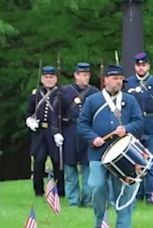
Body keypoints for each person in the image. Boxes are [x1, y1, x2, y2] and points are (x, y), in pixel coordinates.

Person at [79, 65, 143, 228]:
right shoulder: (93, 100)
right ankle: (100, 220)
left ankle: (123, 224)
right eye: (115, 78)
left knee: (123, 190)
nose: (118, 82)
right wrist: (93, 138)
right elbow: (82, 125)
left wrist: (127, 129)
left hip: (122, 153)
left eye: (121, 79)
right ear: (105, 80)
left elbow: (139, 122)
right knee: (97, 186)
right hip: (98, 153)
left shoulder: (129, 100)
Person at [124, 52, 153, 204]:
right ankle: (137, 194)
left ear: (148, 66)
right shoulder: (128, 83)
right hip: (135, 128)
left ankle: (152, 196)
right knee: (136, 163)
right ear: (135, 66)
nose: (141, 68)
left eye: (143, 65)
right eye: (138, 65)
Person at [61, 63, 99, 206]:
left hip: (88, 132)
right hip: (70, 131)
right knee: (70, 168)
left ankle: (88, 200)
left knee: (88, 167)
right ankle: (73, 200)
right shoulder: (65, 92)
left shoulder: (94, 92)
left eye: (87, 75)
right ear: (76, 75)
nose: (85, 78)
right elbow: (58, 114)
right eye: (82, 75)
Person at [25, 66, 65, 197]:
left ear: (56, 78)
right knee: (39, 161)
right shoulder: (36, 94)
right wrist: (30, 121)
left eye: (51, 77)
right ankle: (38, 191)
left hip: (55, 132)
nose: (49, 80)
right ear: (42, 79)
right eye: (46, 77)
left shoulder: (61, 93)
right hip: (40, 132)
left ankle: (60, 191)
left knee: (57, 161)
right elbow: (29, 112)